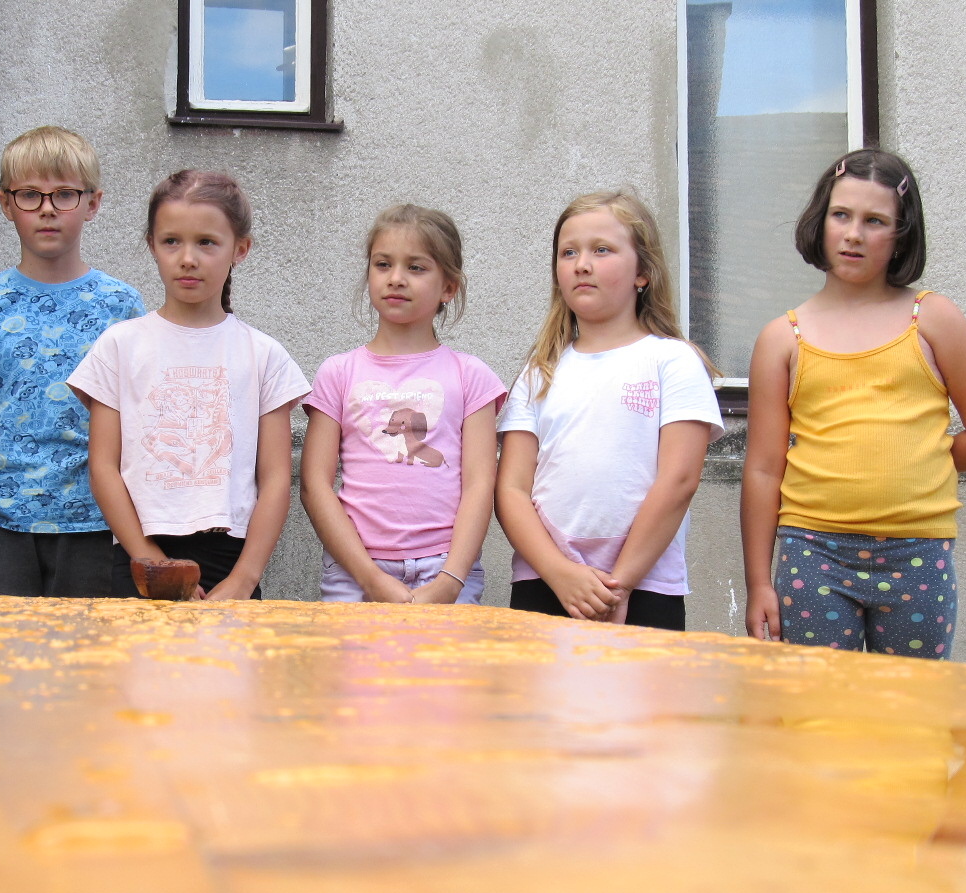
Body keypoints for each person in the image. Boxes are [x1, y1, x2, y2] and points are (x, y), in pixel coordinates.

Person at [741, 149, 966, 656]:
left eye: (875, 221)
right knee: (816, 700)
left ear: (901, 234)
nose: (854, 234)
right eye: (841, 215)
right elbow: (762, 469)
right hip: (812, 553)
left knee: (912, 701)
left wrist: (915, 459)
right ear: (820, 220)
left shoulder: (933, 320)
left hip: (917, 553)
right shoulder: (781, 339)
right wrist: (758, 582)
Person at [0, 127, 144, 597]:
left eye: (64, 194)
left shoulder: (121, 306)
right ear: (6, 204)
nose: (47, 209)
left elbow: (138, 427)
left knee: (84, 645)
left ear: (93, 203)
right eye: (29, 195)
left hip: (93, 519)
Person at [69, 170, 310, 599]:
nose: (187, 258)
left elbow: (275, 479)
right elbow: (103, 466)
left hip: (231, 563)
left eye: (206, 242)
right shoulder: (119, 346)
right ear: (152, 245)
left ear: (240, 249)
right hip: (140, 555)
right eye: (171, 241)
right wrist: (151, 562)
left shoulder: (263, 355)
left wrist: (244, 580)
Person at [496, 190, 723, 629]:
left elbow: (679, 480)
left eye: (602, 250)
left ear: (643, 272)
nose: (582, 264)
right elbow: (511, 490)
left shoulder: (673, 361)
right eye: (569, 252)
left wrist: (621, 584)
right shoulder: (538, 372)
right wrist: (560, 574)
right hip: (545, 581)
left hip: (645, 585)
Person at [301, 204, 505, 604]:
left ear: (448, 287)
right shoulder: (338, 372)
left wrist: (451, 579)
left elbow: (481, 484)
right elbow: (314, 485)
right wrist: (369, 578)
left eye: (416, 267)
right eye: (383, 264)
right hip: (356, 570)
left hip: (445, 567)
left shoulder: (471, 376)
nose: (396, 278)